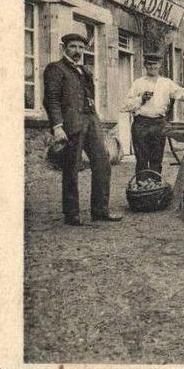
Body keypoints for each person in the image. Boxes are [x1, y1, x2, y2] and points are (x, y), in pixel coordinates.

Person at [43, 33, 120, 225]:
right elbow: (51, 100)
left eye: (80, 47)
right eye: (73, 47)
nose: (77, 51)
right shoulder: (55, 69)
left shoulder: (85, 70)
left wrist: (96, 119)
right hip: (71, 124)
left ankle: (100, 210)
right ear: (64, 48)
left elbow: (89, 97)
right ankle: (72, 214)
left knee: (103, 163)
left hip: (91, 121)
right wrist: (57, 127)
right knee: (71, 167)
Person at [121, 52, 184, 177]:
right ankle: (141, 185)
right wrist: (141, 99)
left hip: (158, 124)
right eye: (149, 64)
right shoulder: (138, 83)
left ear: (160, 65)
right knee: (141, 159)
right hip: (141, 124)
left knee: (156, 159)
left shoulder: (166, 83)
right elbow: (125, 106)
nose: (152, 67)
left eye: (155, 64)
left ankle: (155, 185)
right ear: (145, 65)